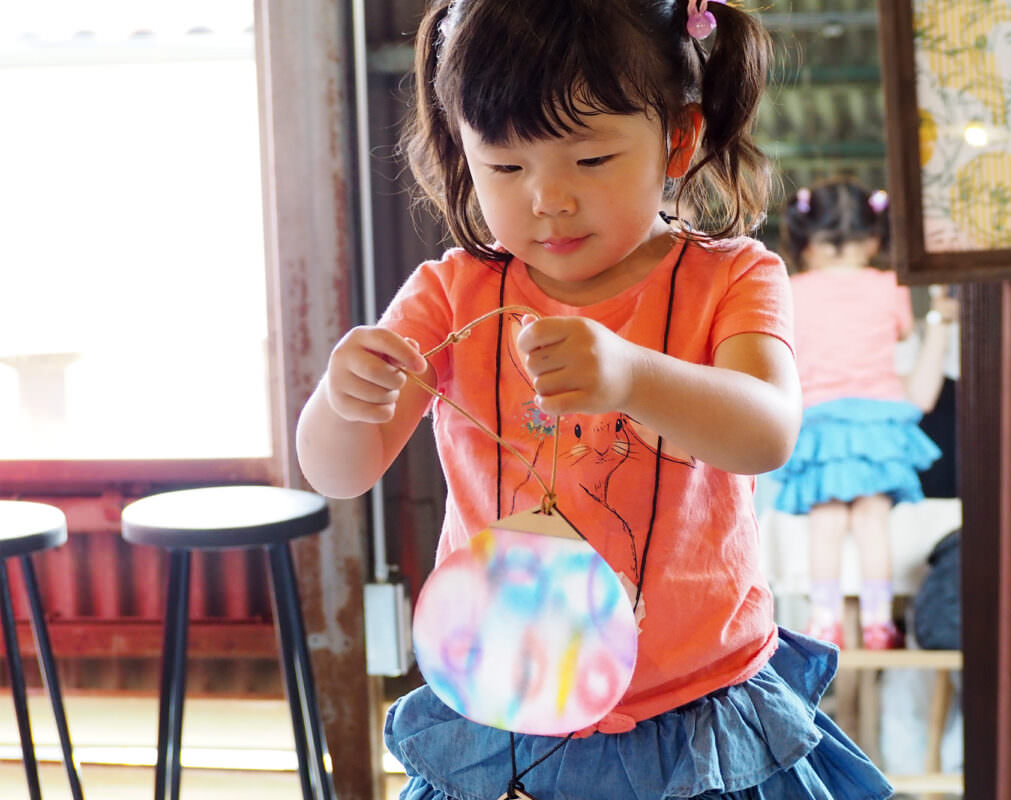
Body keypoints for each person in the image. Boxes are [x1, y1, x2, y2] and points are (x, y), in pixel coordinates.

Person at [296, 1, 893, 798]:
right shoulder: (452, 293)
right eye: (506, 167)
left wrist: (633, 377)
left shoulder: (732, 277)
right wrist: (343, 401)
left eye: (591, 158)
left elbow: (768, 432)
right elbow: (339, 473)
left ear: (677, 139)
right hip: (511, 699)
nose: (548, 198)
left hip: (696, 708)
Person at [768, 178, 953, 651]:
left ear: (805, 241)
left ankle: (824, 619)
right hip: (878, 421)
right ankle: (878, 622)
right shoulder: (889, 286)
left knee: (826, 519)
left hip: (821, 420)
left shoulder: (790, 289)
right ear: (874, 238)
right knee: (873, 519)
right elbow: (902, 334)